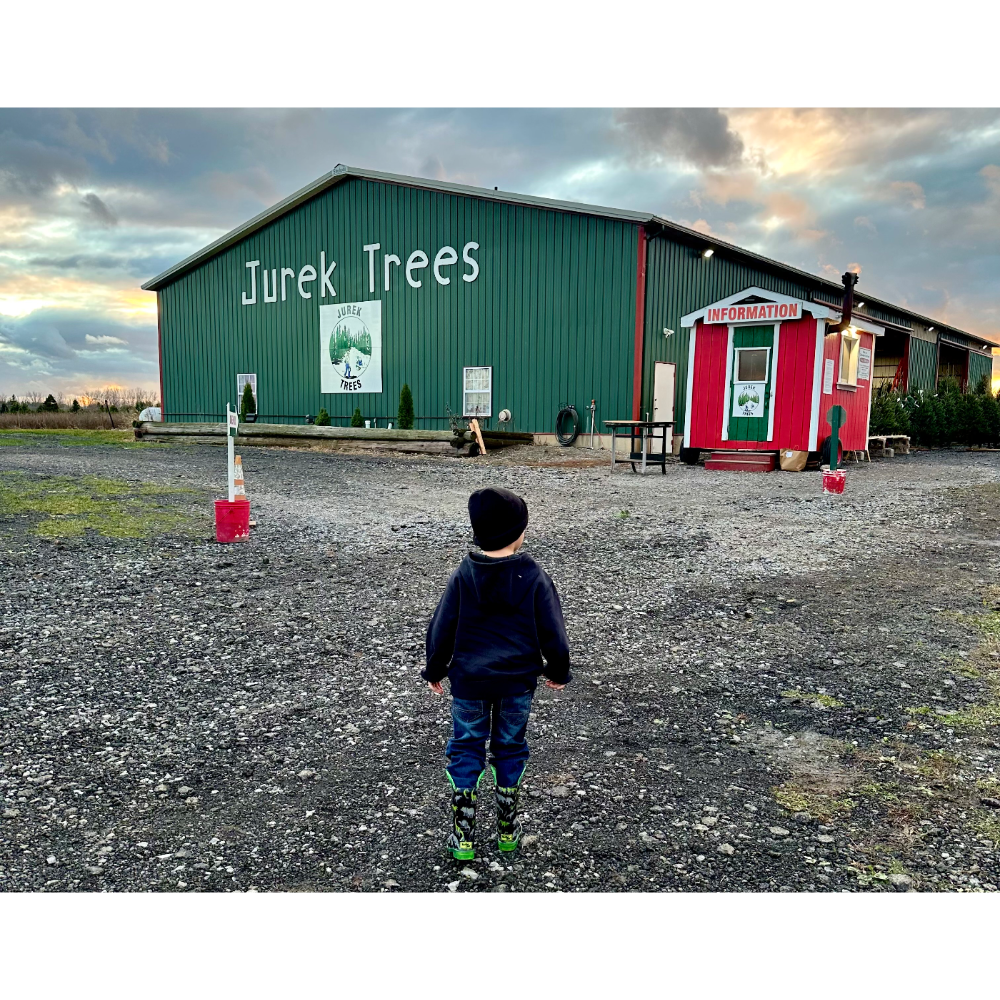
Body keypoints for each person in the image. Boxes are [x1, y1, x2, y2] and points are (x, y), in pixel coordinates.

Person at [423, 486, 571, 861]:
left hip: (469, 682)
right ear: (516, 533)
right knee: (510, 748)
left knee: (466, 747)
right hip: (516, 682)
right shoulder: (533, 574)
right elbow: (552, 627)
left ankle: (463, 836)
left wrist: (435, 668)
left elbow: (442, 625)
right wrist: (558, 668)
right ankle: (507, 829)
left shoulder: (464, 574)